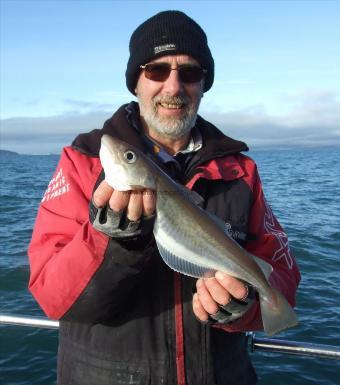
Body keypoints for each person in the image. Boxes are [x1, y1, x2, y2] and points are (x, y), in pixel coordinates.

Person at [28, 10, 300, 385]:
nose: (173, 87)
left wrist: (247, 305)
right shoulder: (82, 162)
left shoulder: (240, 171)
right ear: (135, 82)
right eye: (156, 70)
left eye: (189, 73)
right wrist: (113, 243)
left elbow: (282, 273)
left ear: (203, 84)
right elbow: (52, 297)